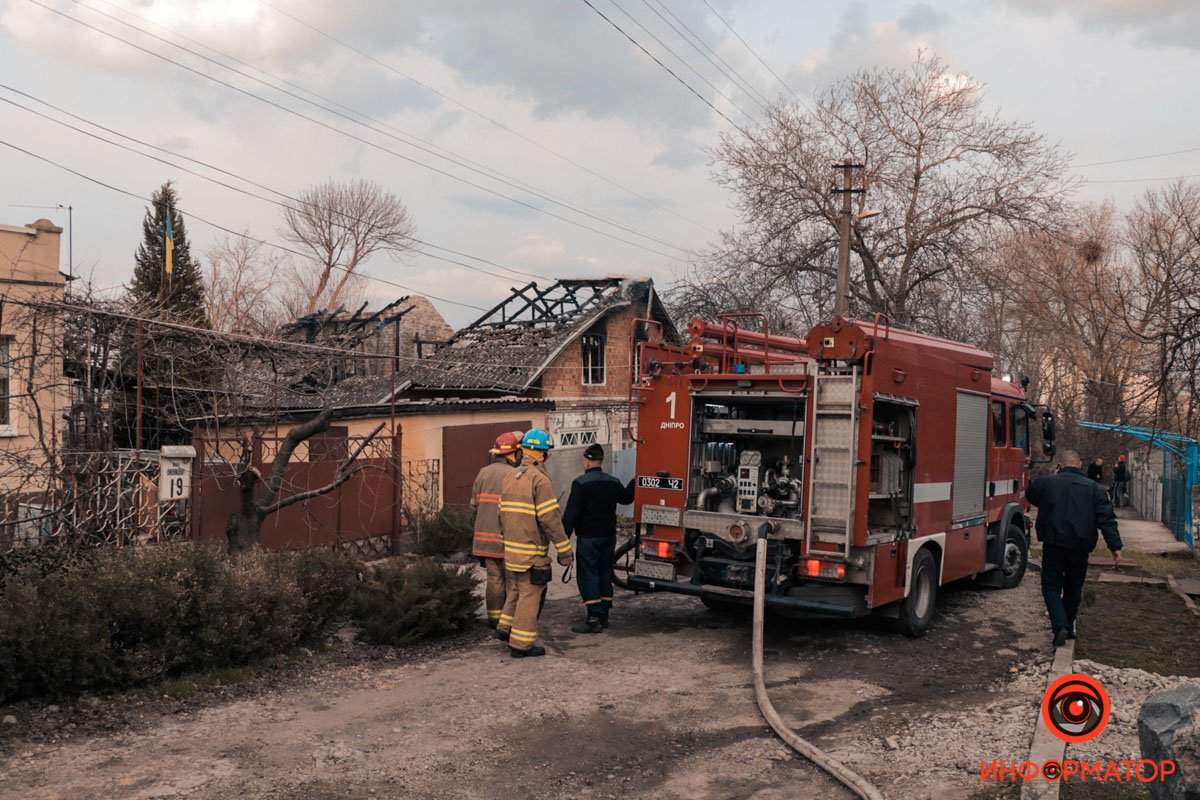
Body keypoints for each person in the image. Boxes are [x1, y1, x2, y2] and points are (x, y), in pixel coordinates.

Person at [1026, 449, 1123, 647]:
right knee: (1074, 587)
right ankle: (1068, 627)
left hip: (1053, 543)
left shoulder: (1047, 483)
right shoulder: (1094, 488)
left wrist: (1051, 488)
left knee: (1051, 586)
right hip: (1080, 546)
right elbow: (1106, 519)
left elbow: (1031, 495)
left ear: (1059, 465)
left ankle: (1060, 625)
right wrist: (1115, 547)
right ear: (1080, 465)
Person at [496, 428, 574, 658]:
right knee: (530, 595)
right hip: (531, 553)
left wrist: (505, 543)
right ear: (543, 453)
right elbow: (550, 519)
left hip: (511, 550)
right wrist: (564, 550)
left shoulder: (510, 477)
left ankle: (504, 628)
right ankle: (521, 645)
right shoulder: (540, 480)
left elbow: (501, 515)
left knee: (516, 590)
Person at [562, 443, 635, 634]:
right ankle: (603, 615)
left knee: (588, 575)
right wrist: (635, 480)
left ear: (586, 462)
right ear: (600, 461)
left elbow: (570, 516)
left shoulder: (580, 483)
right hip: (608, 537)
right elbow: (627, 498)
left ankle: (593, 618)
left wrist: (563, 543)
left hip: (588, 538)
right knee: (604, 573)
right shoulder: (613, 481)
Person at [469, 431, 523, 629]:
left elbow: (473, 507)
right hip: (508, 539)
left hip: (485, 540)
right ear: (513, 454)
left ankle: (494, 618)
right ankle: (509, 621)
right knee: (511, 581)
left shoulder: (483, 473)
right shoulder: (515, 474)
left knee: (494, 579)